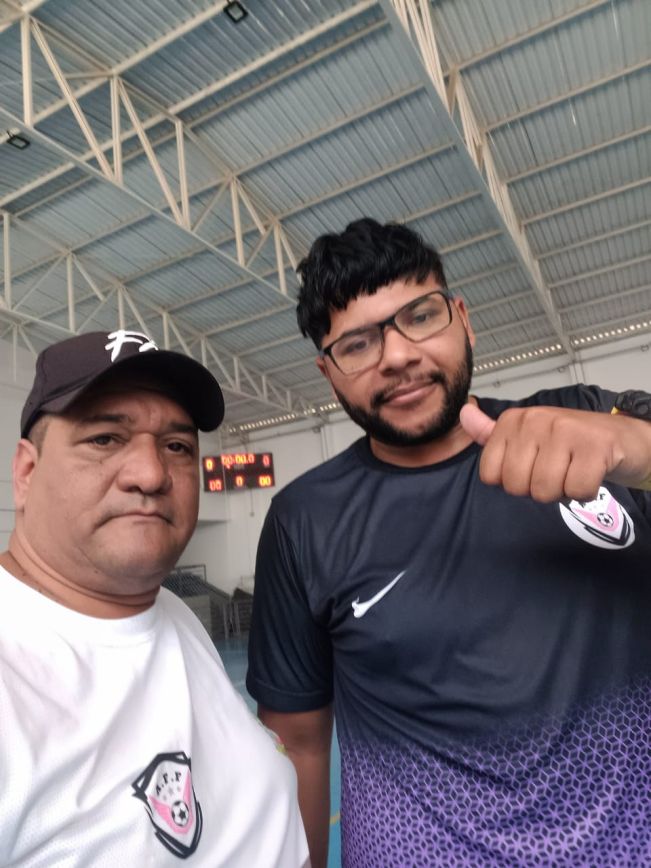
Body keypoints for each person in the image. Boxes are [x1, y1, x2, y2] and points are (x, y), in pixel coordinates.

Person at [246, 218, 651, 867]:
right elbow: (298, 742)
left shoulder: (584, 423)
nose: (397, 356)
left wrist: (639, 449)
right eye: (357, 344)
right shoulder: (305, 519)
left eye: (419, 316)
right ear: (328, 373)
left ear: (462, 318)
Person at [0, 329, 309, 867]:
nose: (150, 474)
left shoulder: (171, 613)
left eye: (177, 447)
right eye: (104, 439)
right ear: (26, 472)